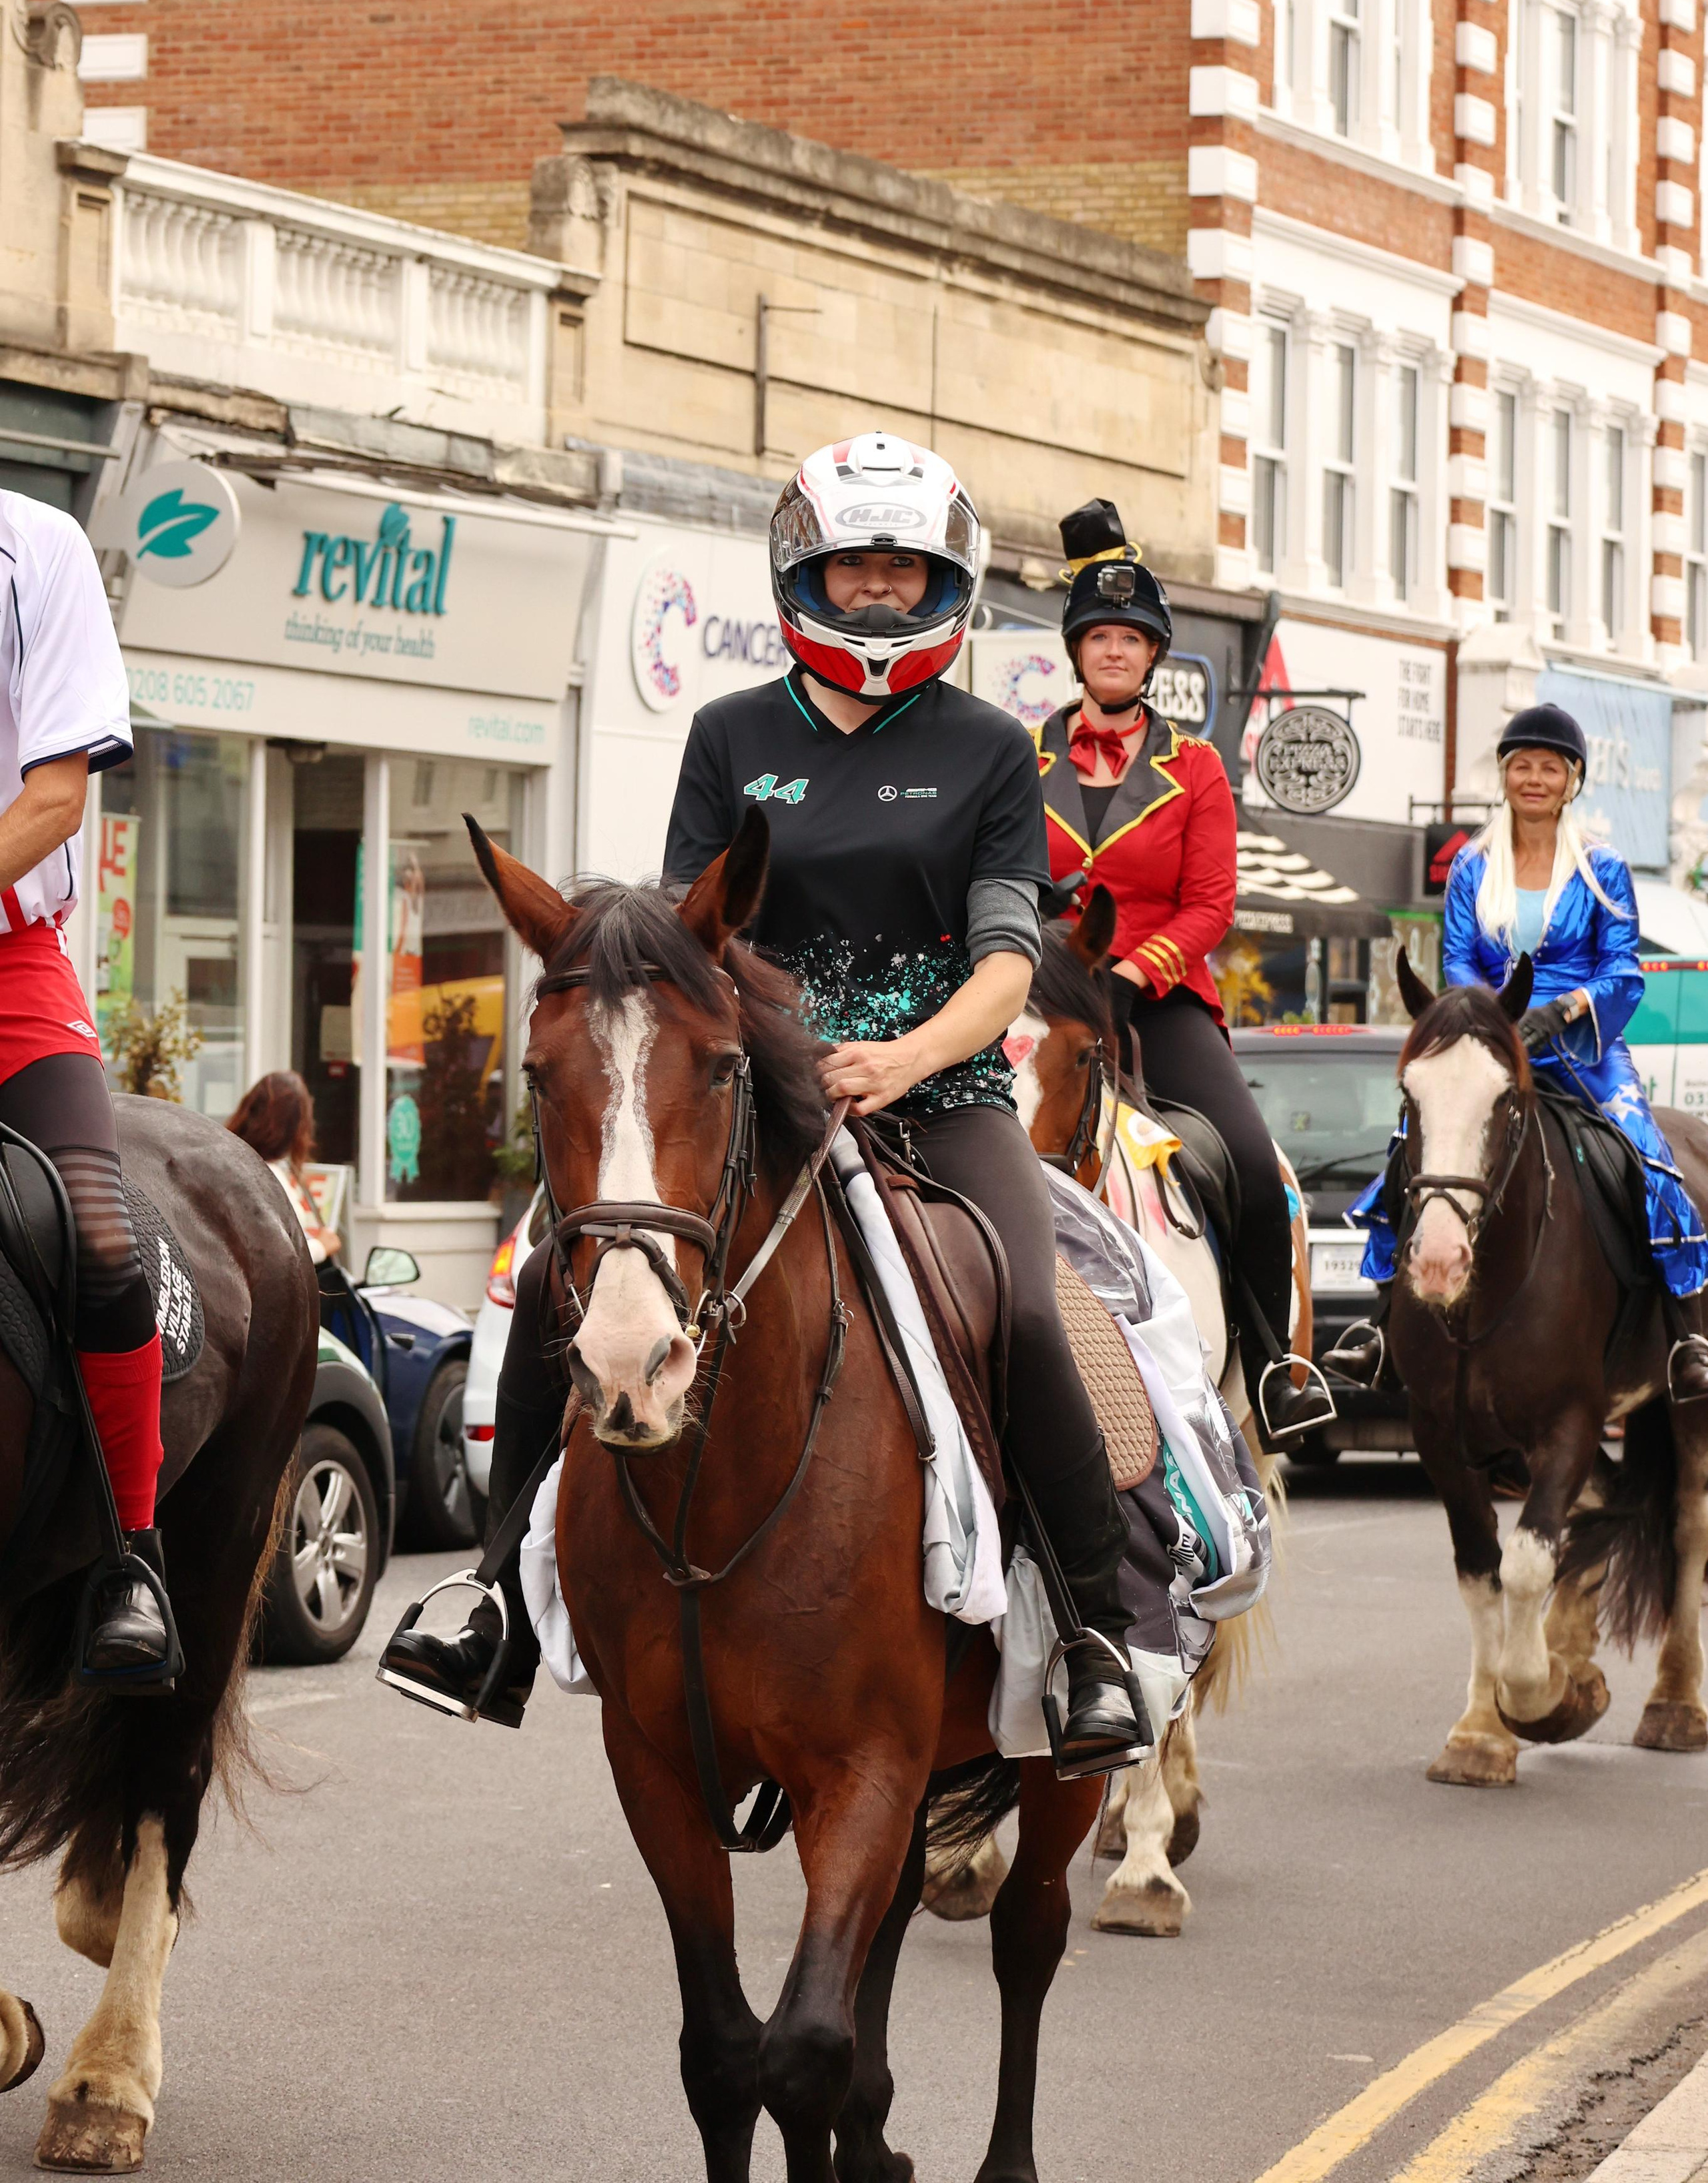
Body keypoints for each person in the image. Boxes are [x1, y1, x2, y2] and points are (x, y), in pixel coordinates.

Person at [386, 430, 1148, 1771]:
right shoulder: (729, 732)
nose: (875, 589)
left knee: (1028, 1309)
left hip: (940, 1088)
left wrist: (905, 1055)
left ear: (941, 580)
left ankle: (1086, 1633)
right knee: (553, 1278)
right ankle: (492, 1596)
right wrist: (777, 1056)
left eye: (903, 566)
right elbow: (696, 942)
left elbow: (1006, 962)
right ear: (805, 566)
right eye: (853, 561)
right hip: (755, 1090)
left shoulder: (983, 747)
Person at [1031, 498, 1329, 1447]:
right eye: (1099, 636)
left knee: (1245, 1159)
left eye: (1131, 638)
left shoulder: (1196, 766)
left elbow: (1210, 904)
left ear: (1153, 654)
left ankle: (1276, 1360)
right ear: (1077, 650)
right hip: (1040, 1004)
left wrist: (1128, 972)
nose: (1114, 652)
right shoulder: (1016, 754)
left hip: (1154, 1004)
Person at [1349, 701, 1708, 1398]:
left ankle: (1686, 1333)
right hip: (1487, 1044)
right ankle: (1378, 1324)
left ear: (1571, 780)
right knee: (1408, 1152)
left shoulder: (1603, 867)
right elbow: (1457, 959)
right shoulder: (1470, 868)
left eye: (1549, 767)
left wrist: (1567, 1007)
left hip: (1583, 1047)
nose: (1534, 778)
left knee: (1651, 1157)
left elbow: (1624, 968)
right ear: (1505, 776)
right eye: (1521, 766)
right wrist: (1491, 1019)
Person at [0, 488, 175, 1676]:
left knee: (106, 1248)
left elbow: (56, 797)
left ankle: (133, 1556)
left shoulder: (36, 544)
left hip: (7, 962)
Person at [227, 1071, 340, 1264]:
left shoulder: (224, 1162)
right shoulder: (268, 1179)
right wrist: (321, 1247)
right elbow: (276, 1259)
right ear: (297, 1126)